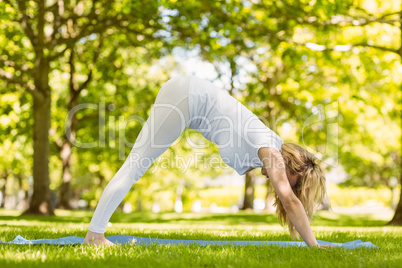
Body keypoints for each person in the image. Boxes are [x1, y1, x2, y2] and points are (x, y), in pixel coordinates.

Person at [83, 75, 329, 248]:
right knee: (135, 165)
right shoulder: (272, 152)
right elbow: (289, 201)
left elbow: (288, 199)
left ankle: (95, 232)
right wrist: (314, 245)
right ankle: (94, 235)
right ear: (290, 163)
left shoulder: (266, 146)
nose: (283, 185)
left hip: (185, 94)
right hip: (186, 96)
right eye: (292, 181)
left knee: (136, 165)